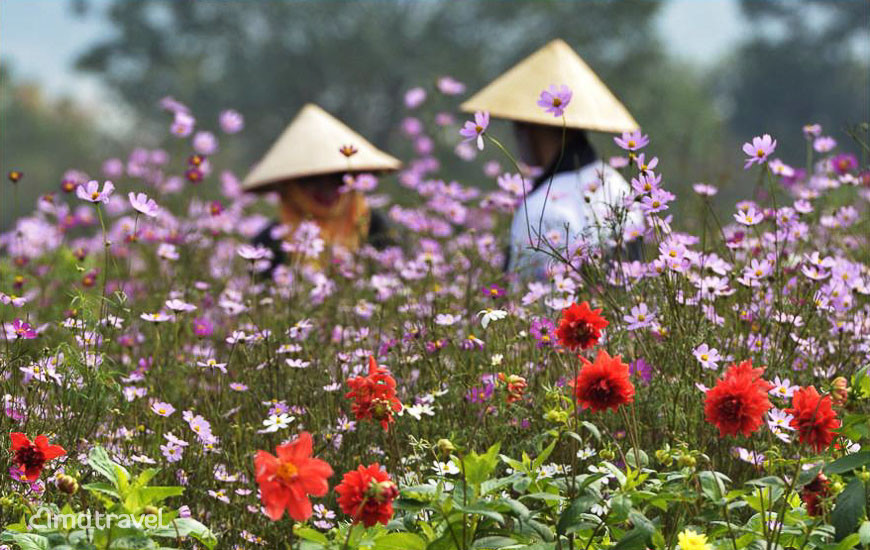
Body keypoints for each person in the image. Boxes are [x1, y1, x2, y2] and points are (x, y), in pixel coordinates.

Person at [461, 39, 644, 278]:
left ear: (530, 126)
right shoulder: (618, 183)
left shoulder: (544, 205)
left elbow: (531, 302)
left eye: (519, 125)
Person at [242, 103, 401, 270]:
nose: (326, 187)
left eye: (337, 177)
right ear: (289, 186)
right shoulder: (269, 241)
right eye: (310, 180)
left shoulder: (374, 227)